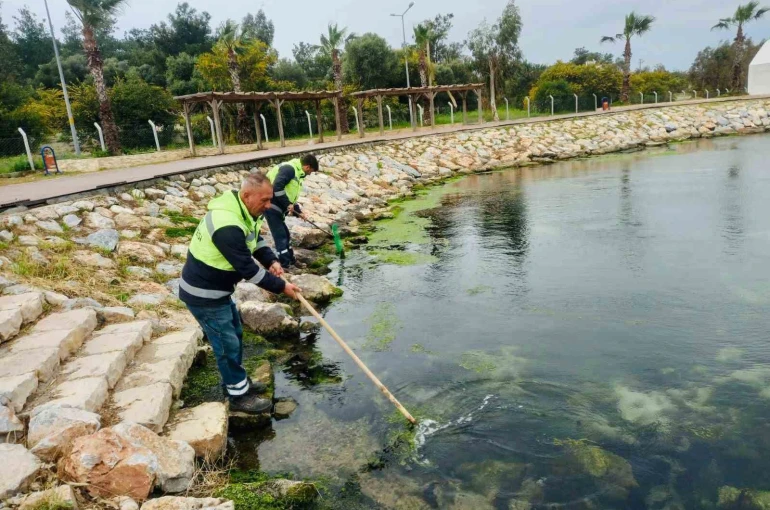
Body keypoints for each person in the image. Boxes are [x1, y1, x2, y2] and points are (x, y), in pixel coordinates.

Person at [179, 172, 302, 414]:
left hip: (218, 291)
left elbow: (254, 241)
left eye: (269, 200)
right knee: (226, 344)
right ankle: (238, 397)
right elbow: (248, 270)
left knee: (234, 332)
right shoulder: (227, 224)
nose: (268, 206)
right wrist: (282, 288)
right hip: (204, 294)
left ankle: (239, 383)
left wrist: (271, 260)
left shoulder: (244, 210)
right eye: (264, 201)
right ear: (246, 195)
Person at [265, 154, 319, 270]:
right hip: (269, 205)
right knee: (281, 236)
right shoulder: (289, 169)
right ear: (307, 167)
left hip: (277, 207)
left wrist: (298, 212)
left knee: (286, 235)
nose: (310, 174)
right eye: (311, 171)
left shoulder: (298, 173)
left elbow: (290, 196)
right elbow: (277, 187)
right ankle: (285, 265)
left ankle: (291, 261)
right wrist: (287, 204)